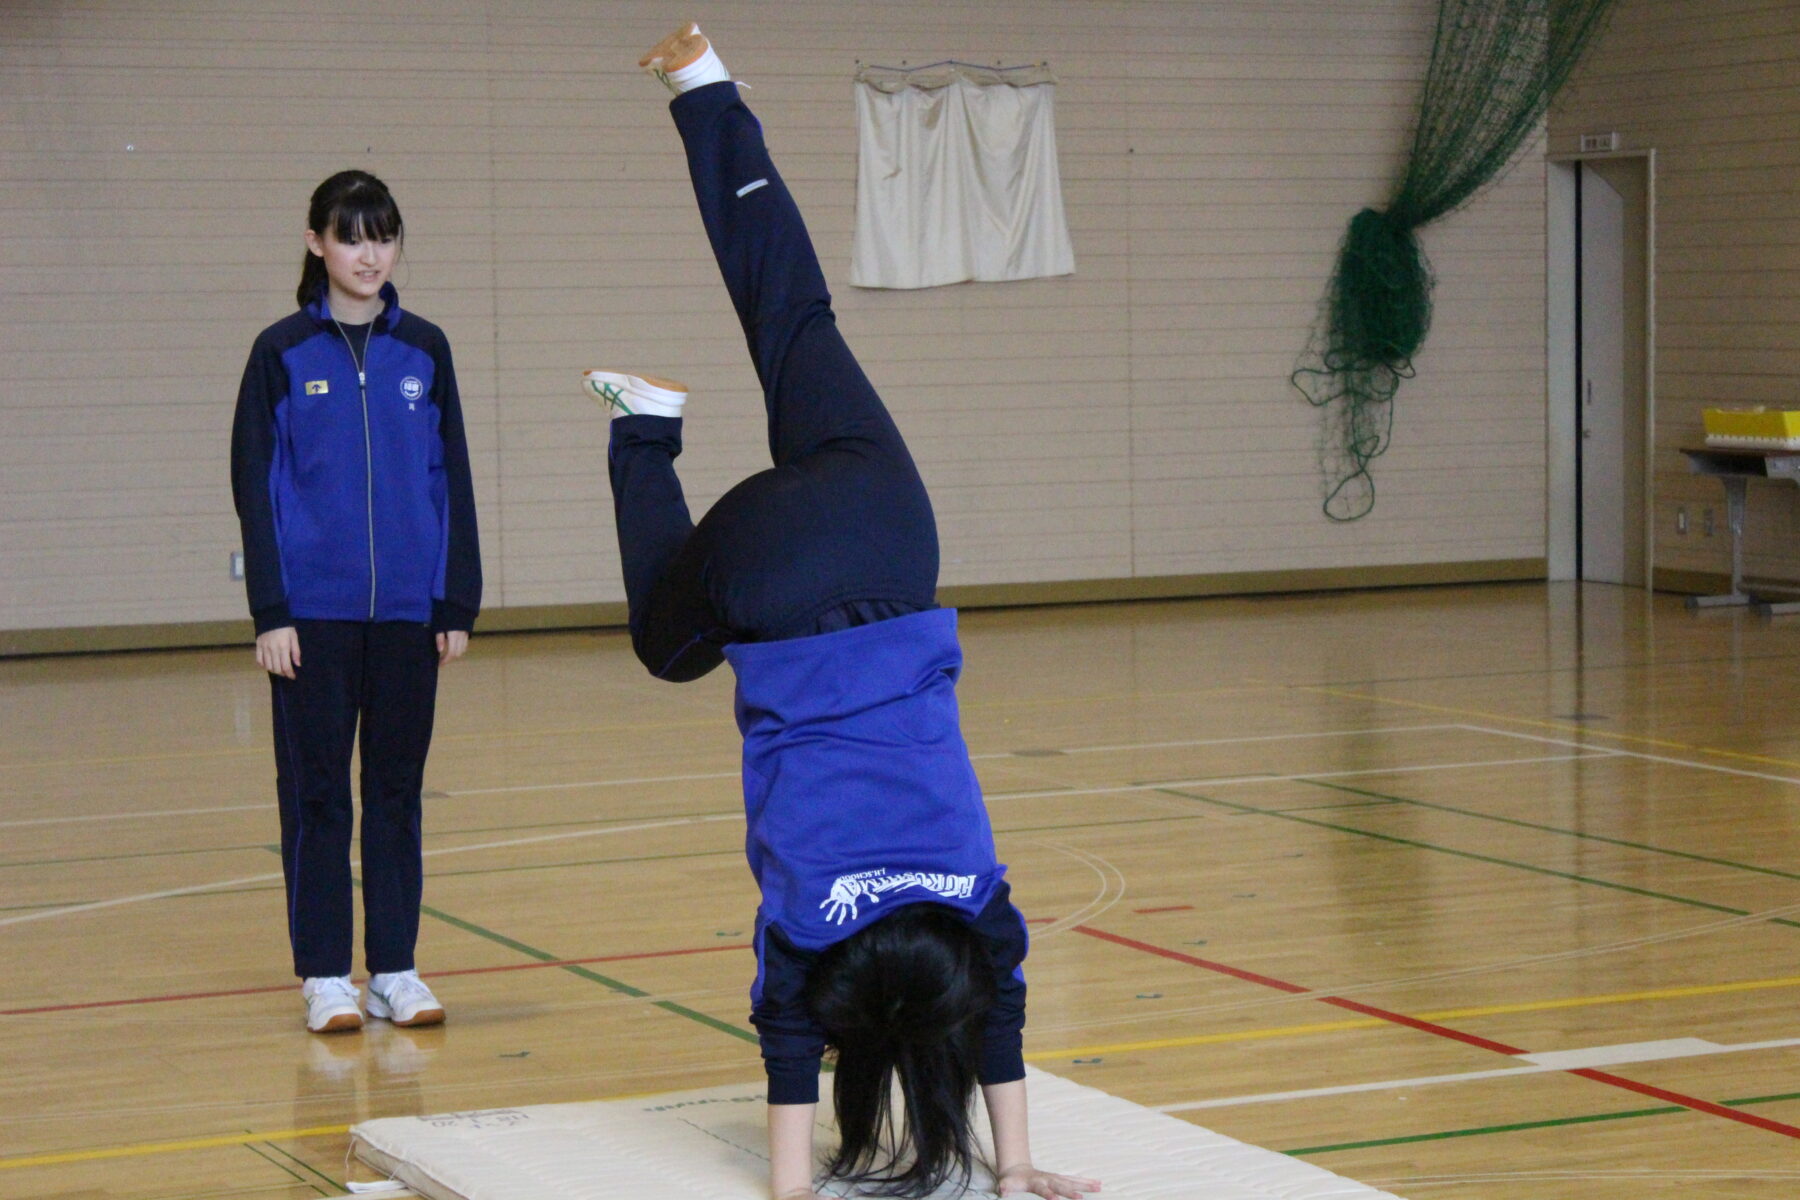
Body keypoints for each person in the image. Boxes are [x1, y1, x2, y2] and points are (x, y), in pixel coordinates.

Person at [587, 23, 1100, 1200]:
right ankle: (642, 429)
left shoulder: (977, 911)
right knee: (669, 646)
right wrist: (805, 1188)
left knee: (796, 322)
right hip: (774, 577)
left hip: (889, 526)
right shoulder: (812, 942)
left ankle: (706, 92)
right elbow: (786, 1089)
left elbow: (1004, 1009)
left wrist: (1018, 1162)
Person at [231, 170, 482, 1035]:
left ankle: (396, 969)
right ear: (316, 243)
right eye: (350, 235)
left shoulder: (427, 350)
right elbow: (254, 488)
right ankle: (325, 975)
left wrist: (456, 601)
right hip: (314, 617)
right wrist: (271, 610)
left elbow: (451, 478)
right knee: (317, 798)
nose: (368, 253)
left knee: (397, 793)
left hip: (409, 617)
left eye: (382, 235)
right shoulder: (280, 354)